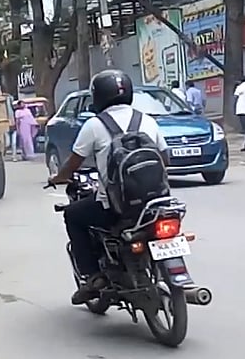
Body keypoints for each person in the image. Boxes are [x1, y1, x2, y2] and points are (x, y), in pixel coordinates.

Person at [49, 69, 168, 305]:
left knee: (73, 215)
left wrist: (58, 178)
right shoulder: (146, 120)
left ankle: (93, 277)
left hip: (117, 207)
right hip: (156, 204)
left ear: (98, 96)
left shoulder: (94, 125)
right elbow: (166, 157)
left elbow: (74, 163)